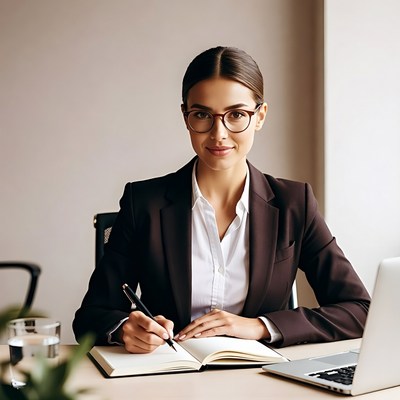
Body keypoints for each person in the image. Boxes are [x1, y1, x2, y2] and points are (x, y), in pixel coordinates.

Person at [73, 46, 370, 354]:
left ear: (260, 117)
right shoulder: (143, 203)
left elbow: (359, 309)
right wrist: (125, 330)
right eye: (202, 115)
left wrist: (259, 326)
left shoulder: (294, 203)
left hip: (262, 380)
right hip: (169, 378)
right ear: (185, 116)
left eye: (237, 115)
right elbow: (91, 315)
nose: (219, 134)